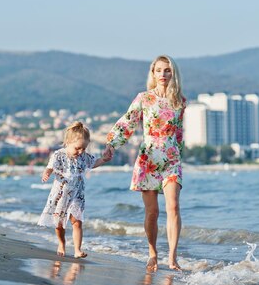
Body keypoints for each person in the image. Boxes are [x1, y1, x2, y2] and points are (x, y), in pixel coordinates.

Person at [104, 55, 186, 272]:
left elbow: (179, 134)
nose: (163, 75)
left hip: (171, 159)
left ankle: (173, 257)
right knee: (152, 212)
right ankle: (152, 253)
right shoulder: (144, 98)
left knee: (174, 206)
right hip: (149, 158)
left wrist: (179, 156)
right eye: (158, 70)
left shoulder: (180, 101)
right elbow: (128, 121)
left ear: (173, 73)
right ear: (153, 73)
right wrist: (112, 144)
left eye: (167, 70)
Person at [38, 121, 112, 258]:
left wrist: (103, 160)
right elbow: (50, 166)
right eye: (78, 148)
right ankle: (61, 243)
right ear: (67, 142)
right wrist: (47, 172)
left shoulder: (83, 156)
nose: (81, 151)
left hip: (78, 193)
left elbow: (93, 163)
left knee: (77, 222)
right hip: (61, 194)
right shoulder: (59, 155)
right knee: (59, 224)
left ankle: (77, 250)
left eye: (84, 148)